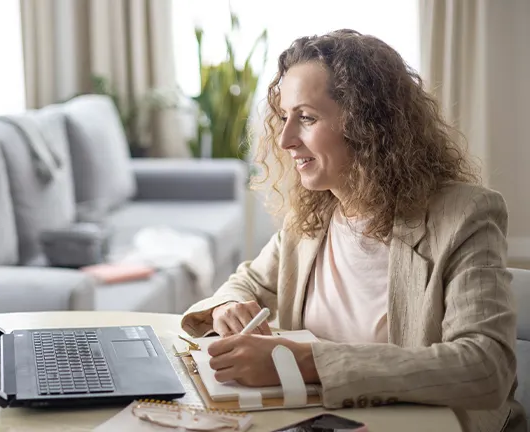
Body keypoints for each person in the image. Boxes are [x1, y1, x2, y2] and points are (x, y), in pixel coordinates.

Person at [181, 29, 526, 432]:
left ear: (368, 124)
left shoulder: (464, 216)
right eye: (284, 118)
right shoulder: (313, 214)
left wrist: (303, 361)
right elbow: (247, 283)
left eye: (306, 118)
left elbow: (485, 366)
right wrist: (226, 308)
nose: (287, 139)